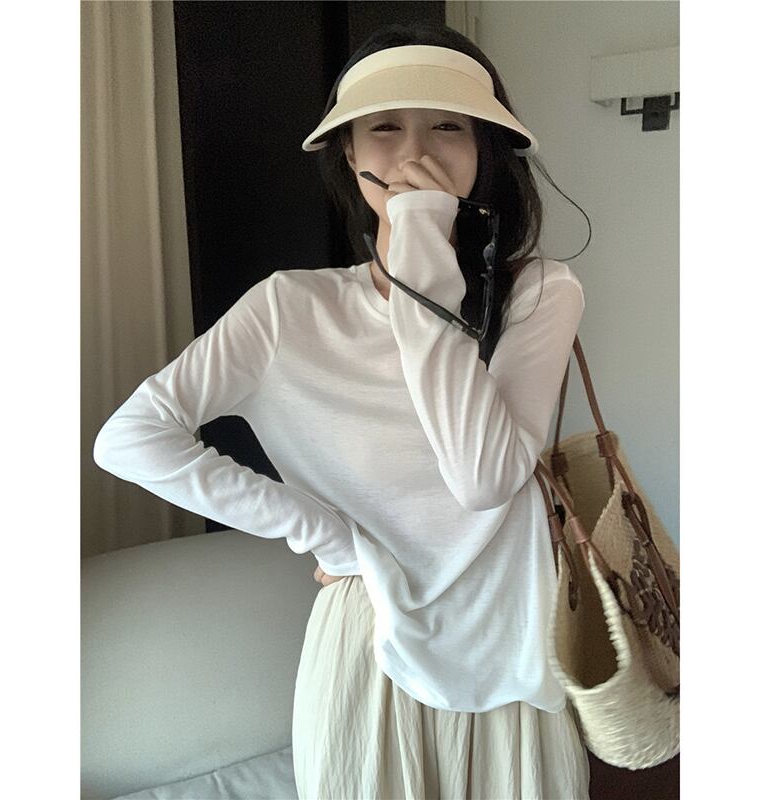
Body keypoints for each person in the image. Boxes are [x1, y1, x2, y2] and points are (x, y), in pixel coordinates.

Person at [93, 20, 591, 800]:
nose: (415, 150)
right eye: (384, 126)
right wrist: (323, 530)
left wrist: (421, 241)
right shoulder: (288, 308)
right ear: (349, 152)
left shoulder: (539, 292)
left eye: (448, 126)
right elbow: (129, 438)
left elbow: (484, 479)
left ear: (485, 151)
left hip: (511, 629)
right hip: (371, 632)